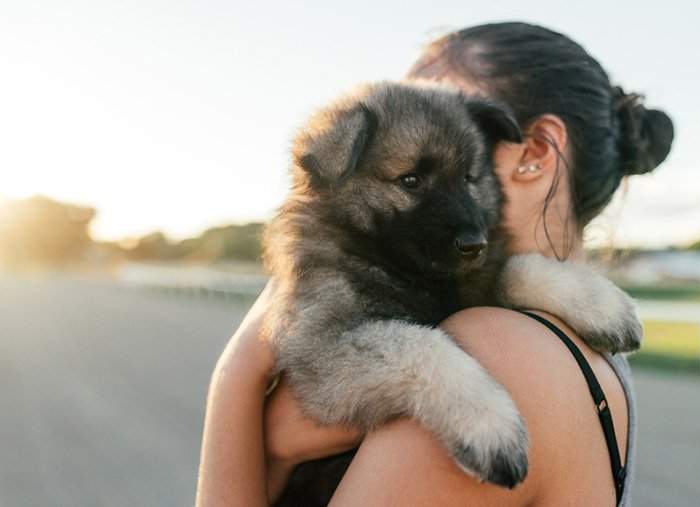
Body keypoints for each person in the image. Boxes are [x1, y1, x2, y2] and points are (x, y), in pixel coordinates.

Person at [195, 22, 674, 507]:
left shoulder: (497, 352)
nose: (419, 108)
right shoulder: (584, 352)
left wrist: (238, 376)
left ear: (534, 151)